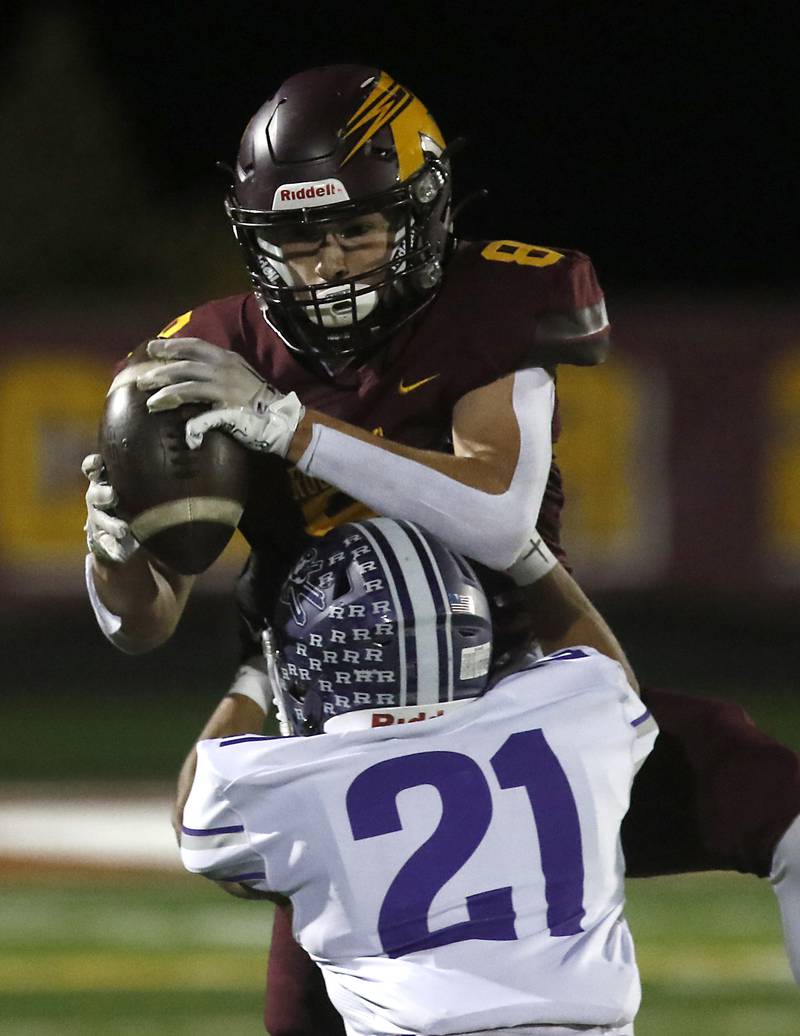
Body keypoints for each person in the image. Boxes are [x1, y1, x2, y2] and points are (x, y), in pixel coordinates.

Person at [82, 65, 800, 1031]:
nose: (330, 264)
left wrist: (290, 429)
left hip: (515, 697)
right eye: (299, 240)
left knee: (779, 802)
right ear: (259, 245)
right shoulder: (219, 350)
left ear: (421, 218)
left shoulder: (485, 304)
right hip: (355, 736)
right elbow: (140, 622)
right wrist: (116, 552)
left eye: (355, 231)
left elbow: (497, 510)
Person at [180, 517, 658, 1036]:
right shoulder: (572, 711)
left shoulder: (297, 787)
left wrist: (254, 671)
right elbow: (614, 680)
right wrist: (521, 548)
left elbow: (195, 823)